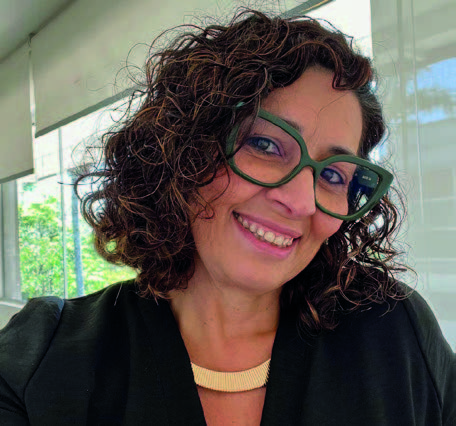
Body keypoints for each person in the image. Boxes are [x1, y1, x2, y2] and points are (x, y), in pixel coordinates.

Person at [1, 8, 455, 426]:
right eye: (265, 144)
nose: (301, 201)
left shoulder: (396, 333)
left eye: (334, 175)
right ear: (185, 148)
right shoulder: (44, 356)